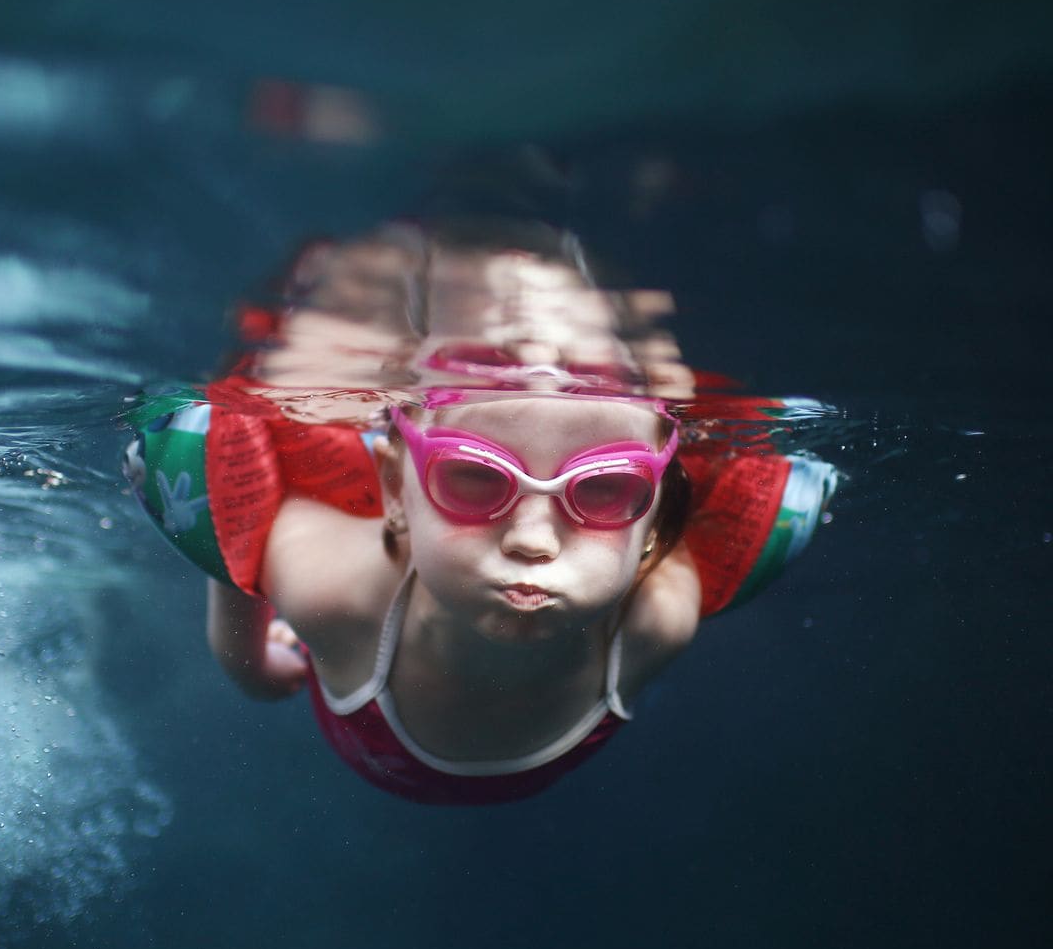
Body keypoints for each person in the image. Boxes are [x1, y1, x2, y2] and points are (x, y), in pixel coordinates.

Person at [125, 220, 836, 804]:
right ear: (396, 494)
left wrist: (254, 670)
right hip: (368, 718)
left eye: (604, 490)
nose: (533, 540)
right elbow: (234, 551)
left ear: (651, 517)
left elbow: (234, 556)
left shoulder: (659, 619)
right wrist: (253, 672)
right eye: (473, 480)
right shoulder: (340, 597)